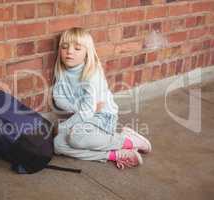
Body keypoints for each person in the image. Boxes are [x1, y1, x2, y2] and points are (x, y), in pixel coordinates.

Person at [52, 27, 152, 169]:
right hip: (84, 117)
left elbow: (89, 112)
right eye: (65, 47)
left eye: (77, 48)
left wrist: (64, 127)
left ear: (87, 53)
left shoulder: (92, 74)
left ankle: (129, 141)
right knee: (58, 145)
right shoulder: (61, 70)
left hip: (103, 117)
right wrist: (82, 108)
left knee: (76, 138)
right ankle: (115, 155)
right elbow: (59, 99)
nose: (69, 52)